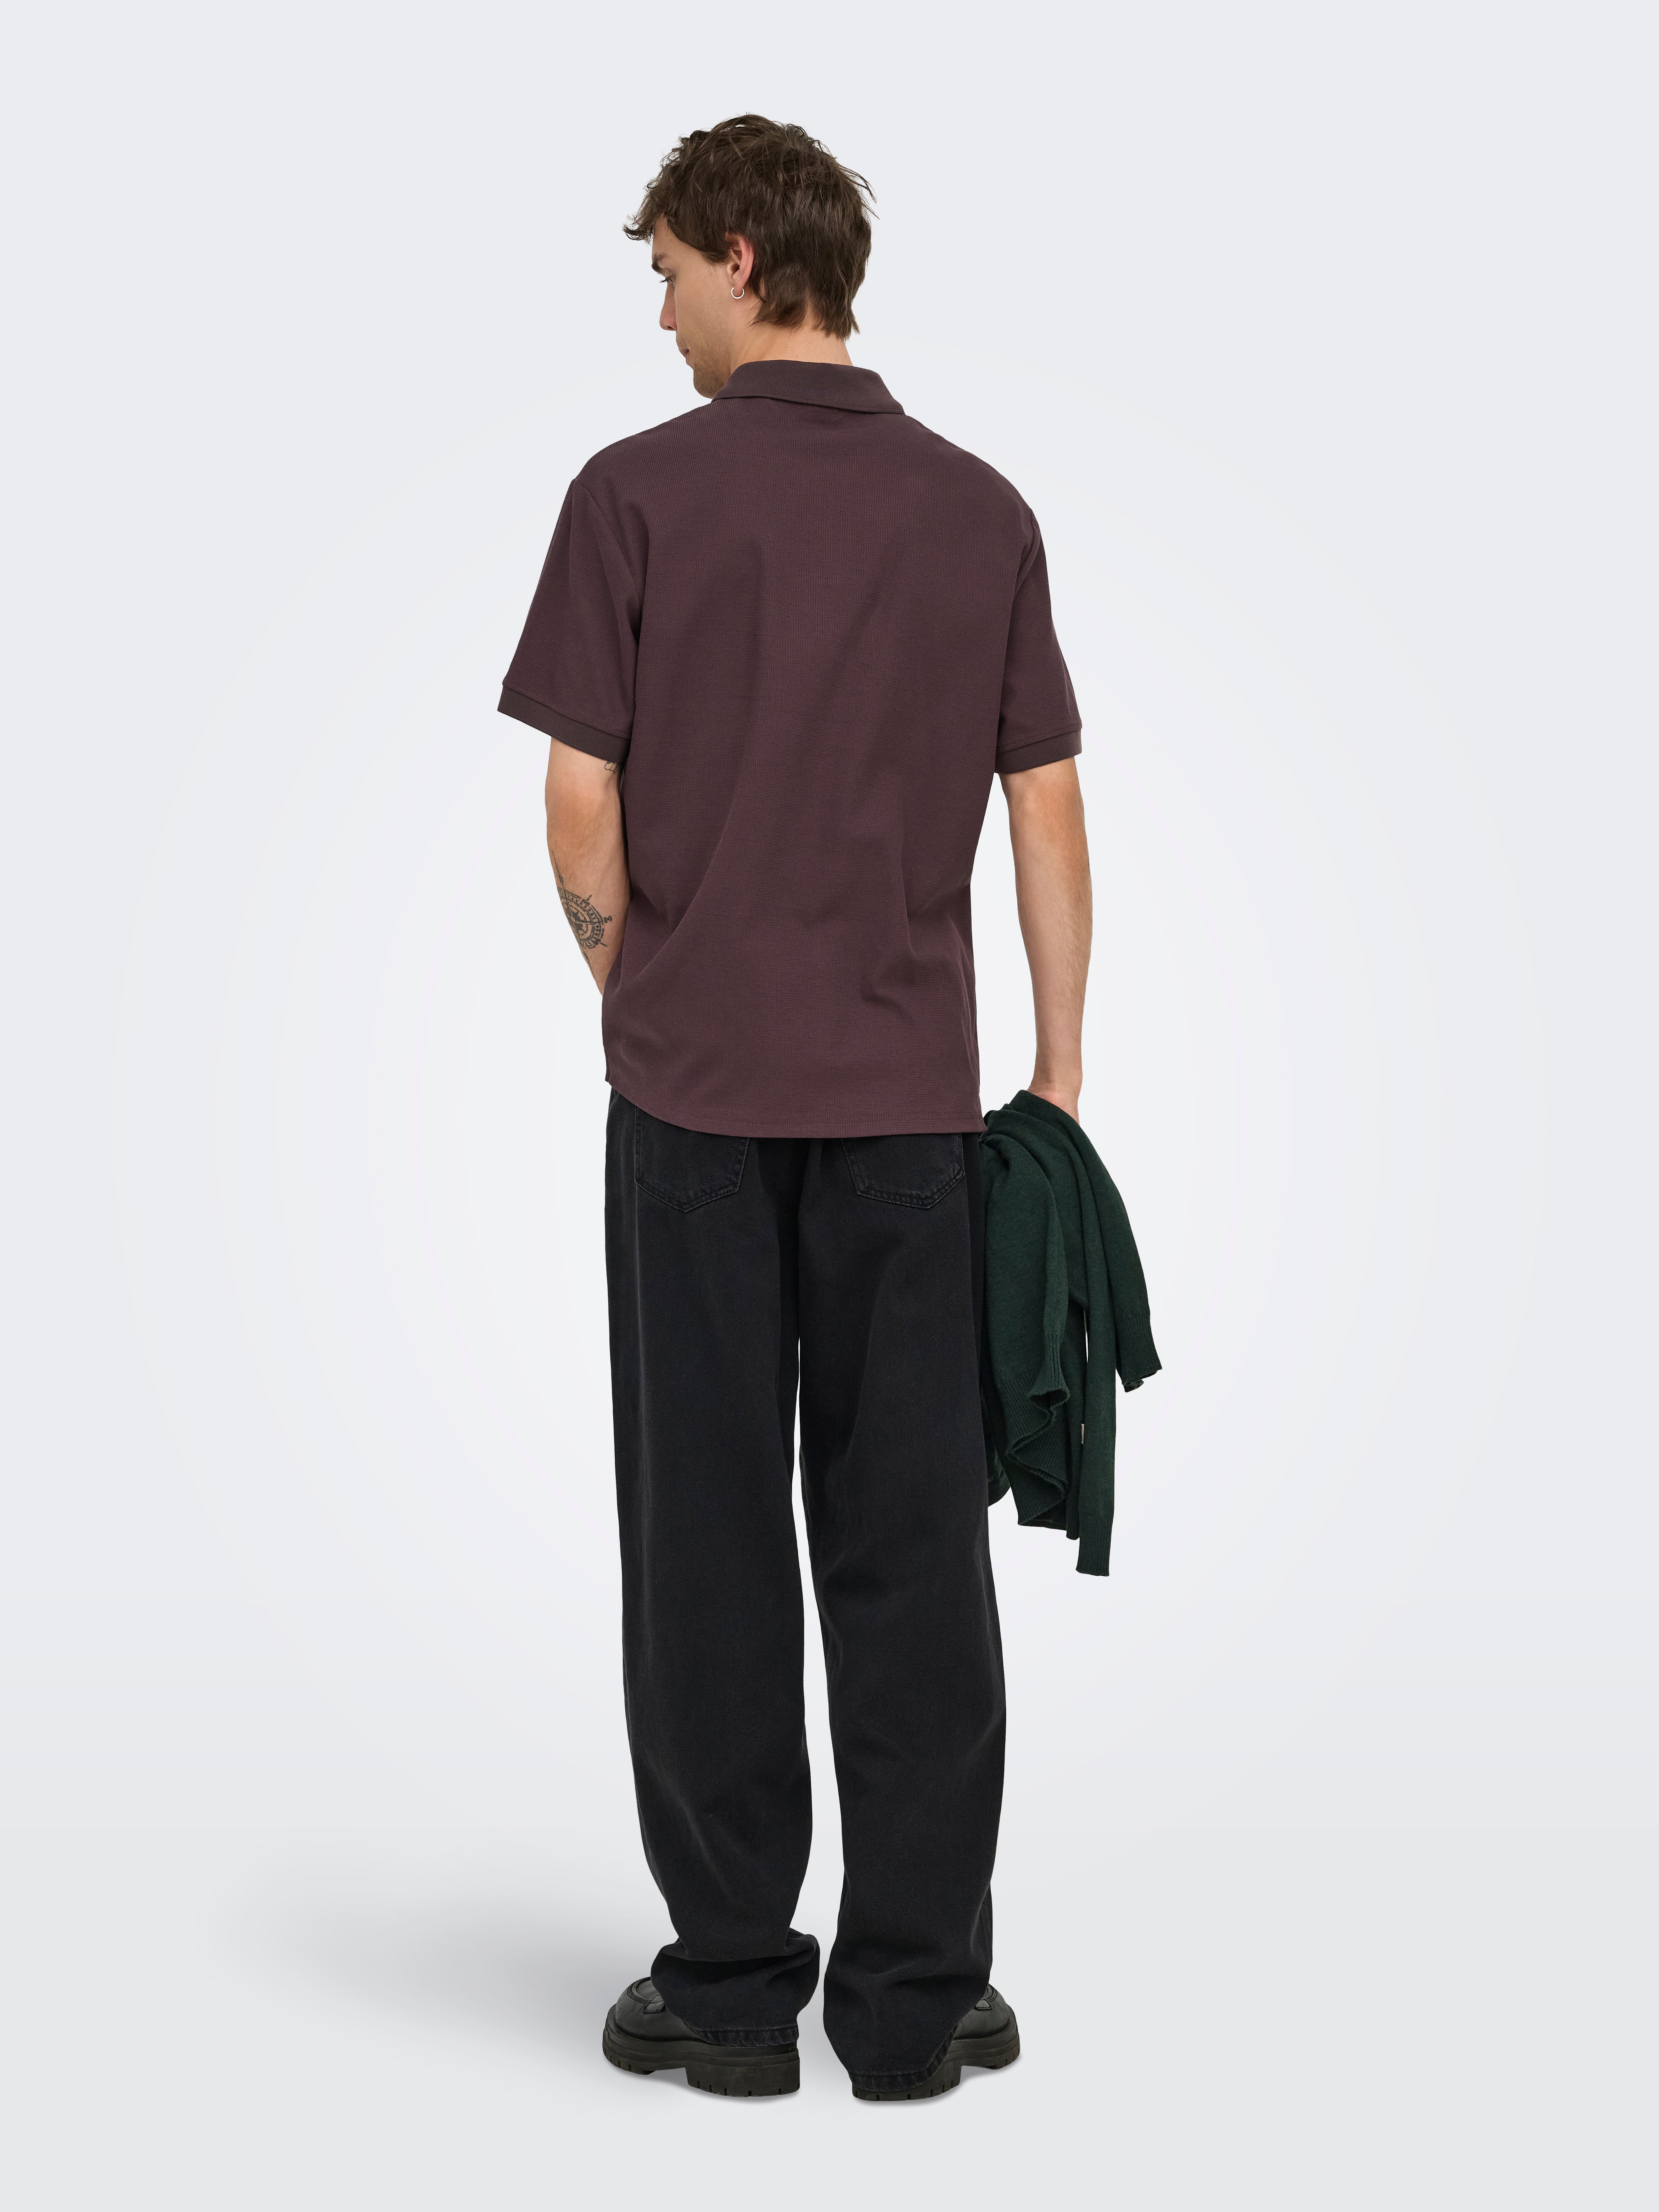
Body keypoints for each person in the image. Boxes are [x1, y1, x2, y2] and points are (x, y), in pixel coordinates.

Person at [498, 114, 1091, 2102]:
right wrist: (1054, 1076)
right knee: (911, 1542)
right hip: (911, 1118)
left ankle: (734, 1988)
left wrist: (641, 989)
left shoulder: (633, 496)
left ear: (747, 257)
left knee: (707, 1538)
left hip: (692, 1109)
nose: (662, 310)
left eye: (668, 269)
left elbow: (577, 797)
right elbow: (1044, 806)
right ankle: (915, 1995)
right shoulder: (978, 509)